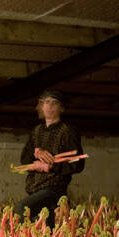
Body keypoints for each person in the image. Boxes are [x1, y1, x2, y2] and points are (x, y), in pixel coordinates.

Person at [15, 90, 85, 224]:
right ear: (41, 106)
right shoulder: (36, 131)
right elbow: (24, 160)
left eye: (55, 103)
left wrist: (52, 166)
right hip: (34, 188)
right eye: (46, 102)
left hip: (54, 189)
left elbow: (78, 163)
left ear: (62, 108)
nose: (50, 106)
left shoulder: (68, 131)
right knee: (43, 222)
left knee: (22, 209)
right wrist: (36, 153)